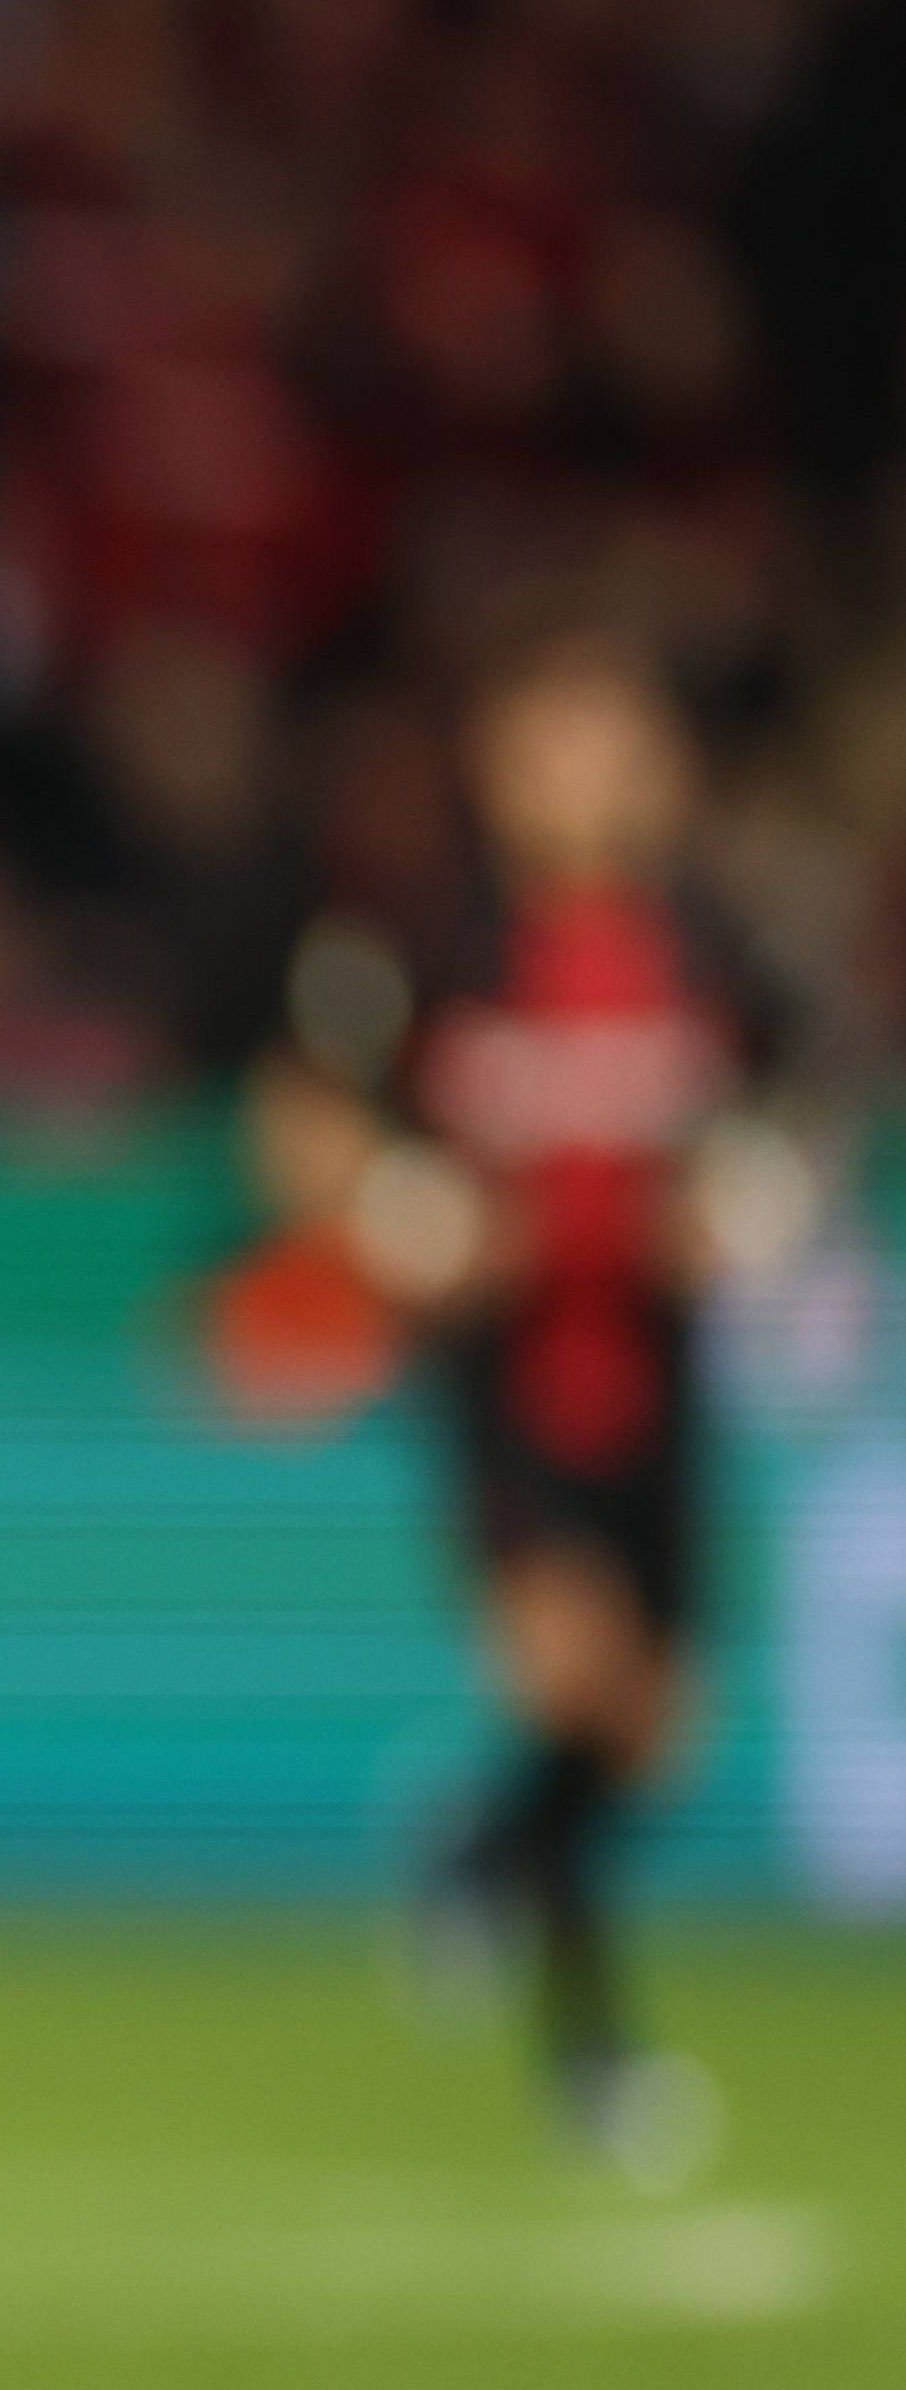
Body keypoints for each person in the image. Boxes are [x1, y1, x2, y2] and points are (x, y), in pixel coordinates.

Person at [259, 639, 793, 2174]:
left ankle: (473, 1853)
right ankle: (595, 2060)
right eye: (552, 738)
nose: (581, 767)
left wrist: (748, 1201)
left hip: (661, 1375)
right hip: (505, 1386)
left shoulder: (713, 947)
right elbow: (299, 1115)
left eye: (608, 738)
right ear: (499, 768)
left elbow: (787, 1118)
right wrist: (391, 1213)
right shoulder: (435, 946)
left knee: (650, 1739)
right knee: (570, 1687)